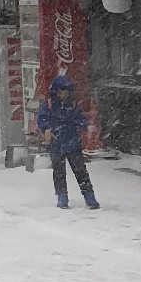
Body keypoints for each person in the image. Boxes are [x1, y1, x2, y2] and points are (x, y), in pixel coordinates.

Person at [34, 71, 100, 211]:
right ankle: (62, 197)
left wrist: (86, 125)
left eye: (66, 92)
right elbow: (41, 120)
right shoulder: (50, 105)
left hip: (72, 143)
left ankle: (89, 197)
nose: (63, 95)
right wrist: (47, 129)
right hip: (57, 144)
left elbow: (78, 120)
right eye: (61, 91)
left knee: (81, 172)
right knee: (59, 173)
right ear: (56, 91)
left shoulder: (73, 105)